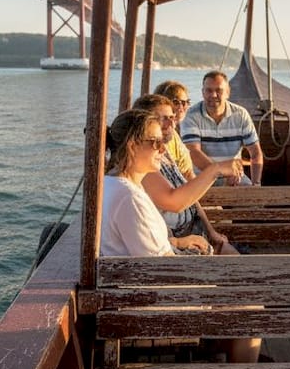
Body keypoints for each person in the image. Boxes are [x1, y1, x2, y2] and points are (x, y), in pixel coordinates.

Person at [132, 94, 240, 255]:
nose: (171, 124)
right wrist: (216, 169)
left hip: (195, 234)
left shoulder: (164, 153)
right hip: (175, 245)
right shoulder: (144, 162)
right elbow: (174, 202)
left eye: (171, 117)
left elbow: (190, 198)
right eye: (162, 119)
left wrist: (211, 232)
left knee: (242, 264)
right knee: (247, 270)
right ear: (144, 124)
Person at [100, 109, 205, 257]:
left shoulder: (111, 183)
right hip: (153, 276)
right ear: (132, 146)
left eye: (162, 141)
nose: (163, 149)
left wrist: (178, 243)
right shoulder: (130, 198)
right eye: (156, 142)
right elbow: (160, 266)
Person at [179, 71, 264, 186]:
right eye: (209, 90)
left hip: (234, 177)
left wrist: (256, 184)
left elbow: (255, 153)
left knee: (254, 201)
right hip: (200, 177)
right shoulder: (191, 115)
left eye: (219, 90)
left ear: (228, 93)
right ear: (203, 92)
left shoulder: (241, 115)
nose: (213, 95)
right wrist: (223, 173)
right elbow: (194, 153)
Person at [152, 80, 196, 179]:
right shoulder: (156, 138)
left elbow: (187, 172)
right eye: (176, 102)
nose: (182, 107)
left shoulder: (174, 134)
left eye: (186, 102)